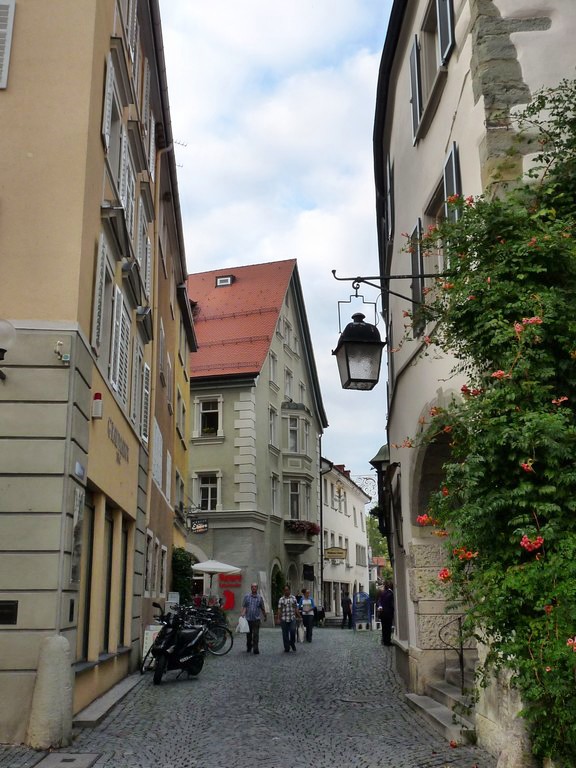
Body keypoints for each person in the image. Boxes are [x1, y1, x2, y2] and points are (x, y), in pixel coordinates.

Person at [240, 582, 267, 655]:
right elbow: (245, 606)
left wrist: (265, 616)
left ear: (257, 588)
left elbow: (262, 608)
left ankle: (256, 649)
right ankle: (249, 646)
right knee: (249, 635)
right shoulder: (247, 597)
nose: (254, 588)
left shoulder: (259, 597)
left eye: (255, 587)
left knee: (256, 635)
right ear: (251, 588)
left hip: (256, 620)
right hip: (248, 619)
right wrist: (242, 613)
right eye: (252, 587)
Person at [277, 584, 301, 652]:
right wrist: (278, 618)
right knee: (285, 634)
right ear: (283, 591)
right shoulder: (281, 599)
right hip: (284, 618)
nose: (286, 591)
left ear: (290, 590)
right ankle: (286, 647)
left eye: (287, 590)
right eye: (285, 590)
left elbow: (296, 608)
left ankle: (292, 642)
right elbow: (279, 609)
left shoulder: (293, 598)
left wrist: (299, 616)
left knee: (293, 630)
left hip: (292, 618)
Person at [376, 580, 395, 646]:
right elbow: (392, 604)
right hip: (389, 613)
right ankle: (388, 641)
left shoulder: (382, 593)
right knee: (388, 628)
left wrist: (380, 606)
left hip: (382, 613)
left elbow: (379, 602)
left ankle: (384, 641)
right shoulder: (391, 593)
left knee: (384, 628)